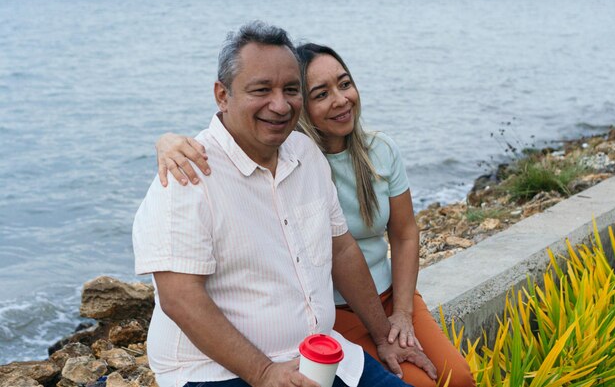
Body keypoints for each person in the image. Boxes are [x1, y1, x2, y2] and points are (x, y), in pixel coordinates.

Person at [133, 21, 436, 387]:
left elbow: (341, 250)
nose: (279, 105)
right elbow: (179, 298)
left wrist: (384, 337)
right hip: (217, 372)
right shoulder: (187, 175)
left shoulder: (305, 154)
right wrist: (264, 373)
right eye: (261, 90)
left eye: (291, 90)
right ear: (222, 95)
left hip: (318, 354)